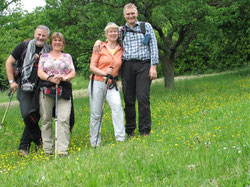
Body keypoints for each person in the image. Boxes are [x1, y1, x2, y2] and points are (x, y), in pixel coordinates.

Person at [94, 3, 159, 137]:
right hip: (127, 66)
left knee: (143, 98)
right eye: (128, 14)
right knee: (129, 99)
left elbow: (153, 46)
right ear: (124, 15)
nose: (130, 16)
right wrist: (98, 41)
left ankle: (145, 130)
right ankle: (130, 130)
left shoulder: (145, 27)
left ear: (137, 13)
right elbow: (110, 37)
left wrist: (153, 66)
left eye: (132, 13)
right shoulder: (121, 30)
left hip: (144, 66)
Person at [5, 25, 50, 156]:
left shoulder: (49, 50)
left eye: (44, 35)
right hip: (25, 86)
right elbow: (9, 62)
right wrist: (11, 81)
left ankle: (24, 147)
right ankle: (39, 141)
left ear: (47, 37)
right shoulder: (24, 46)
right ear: (35, 34)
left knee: (34, 116)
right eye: (39, 34)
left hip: (41, 87)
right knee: (26, 115)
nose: (41, 37)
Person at [38, 32, 75, 157]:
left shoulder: (67, 56)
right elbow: (40, 72)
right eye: (55, 40)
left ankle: (62, 150)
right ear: (51, 42)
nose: (57, 42)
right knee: (46, 119)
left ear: (63, 43)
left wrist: (63, 78)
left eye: (60, 40)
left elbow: (72, 72)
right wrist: (50, 78)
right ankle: (47, 149)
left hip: (63, 90)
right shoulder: (44, 56)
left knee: (64, 119)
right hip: (47, 89)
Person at [89, 22, 125, 147]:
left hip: (112, 84)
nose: (113, 33)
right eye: (110, 31)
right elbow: (92, 67)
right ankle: (95, 142)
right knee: (96, 113)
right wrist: (104, 73)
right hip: (97, 82)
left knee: (118, 108)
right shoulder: (99, 47)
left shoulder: (121, 49)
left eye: (115, 31)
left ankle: (120, 139)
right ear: (106, 34)